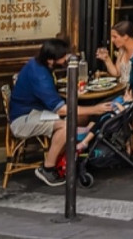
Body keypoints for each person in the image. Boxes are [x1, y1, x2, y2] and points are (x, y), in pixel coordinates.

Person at [7, 38, 111, 187]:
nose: (66, 59)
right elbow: (61, 109)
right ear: (51, 60)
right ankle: (48, 168)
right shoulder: (40, 75)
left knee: (83, 118)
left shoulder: (38, 64)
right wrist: (96, 109)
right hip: (24, 119)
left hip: (38, 112)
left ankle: (70, 155)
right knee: (67, 125)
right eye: (63, 56)